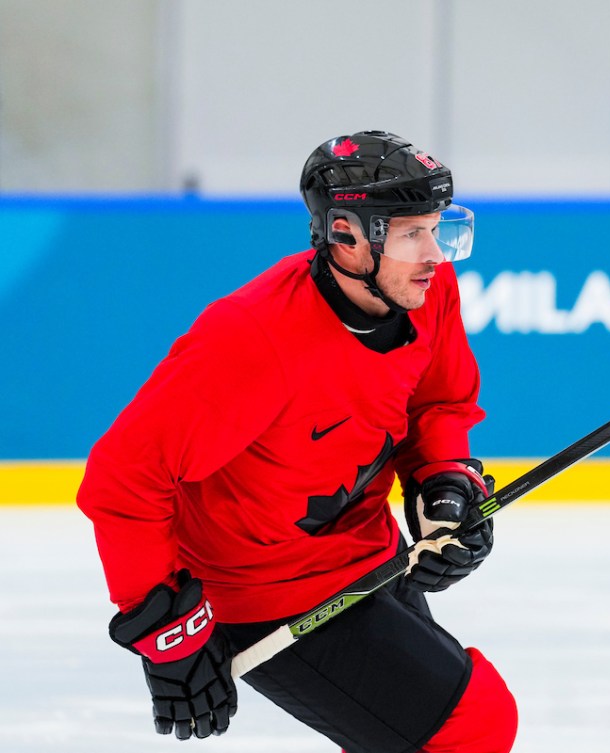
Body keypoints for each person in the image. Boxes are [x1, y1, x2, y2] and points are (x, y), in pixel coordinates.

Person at [76, 131, 519, 753]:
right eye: (412, 233)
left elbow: (437, 405)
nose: (436, 254)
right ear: (345, 235)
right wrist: (168, 632)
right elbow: (123, 480)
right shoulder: (251, 340)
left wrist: (442, 488)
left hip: (366, 555)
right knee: (470, 724)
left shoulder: (426, 291)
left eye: (439, 228)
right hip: (266, 593)